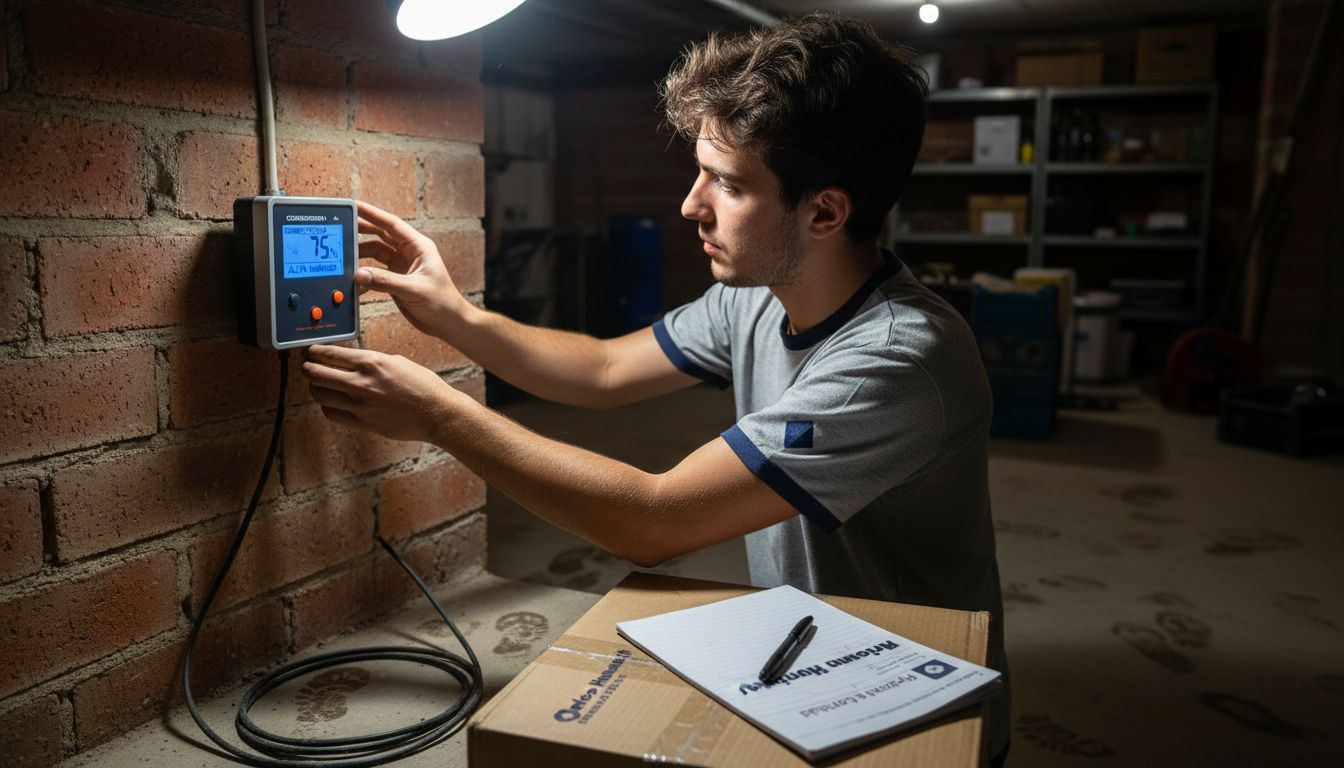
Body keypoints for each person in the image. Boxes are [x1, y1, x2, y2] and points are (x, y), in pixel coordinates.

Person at [301, 11, 1008, 764]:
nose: (690, 204)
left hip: (904, 700)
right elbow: (604, 371)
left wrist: (442, 417)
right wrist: (456, 318)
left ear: (825, 212)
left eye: (727, 184)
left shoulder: (898, 360)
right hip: (807, 657)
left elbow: (653, 522)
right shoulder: (758, 295)